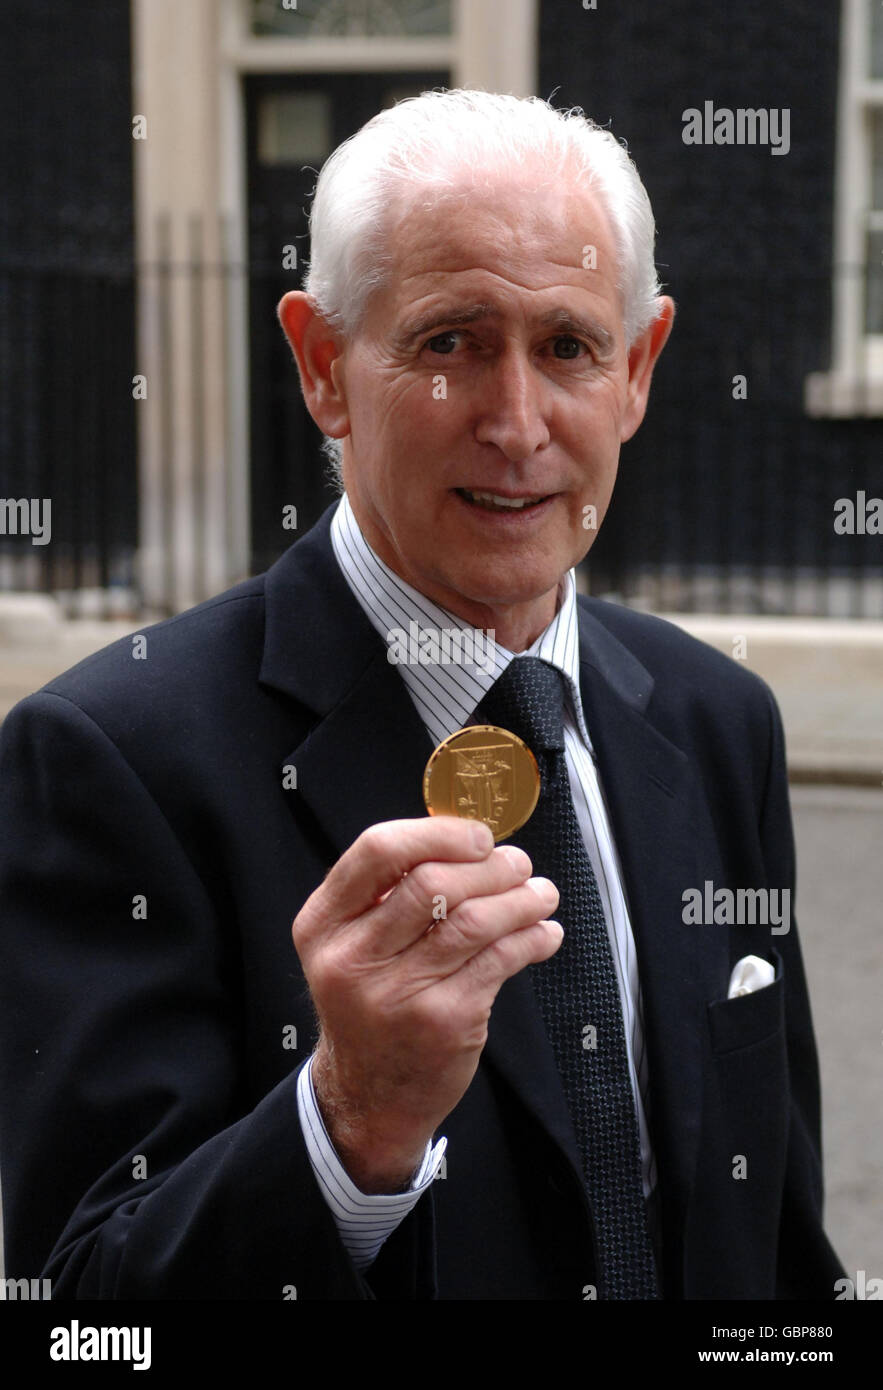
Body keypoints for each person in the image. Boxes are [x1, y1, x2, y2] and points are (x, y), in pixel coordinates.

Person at [0, 89, 843, 1300]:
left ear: (639, 368)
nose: (514, 425)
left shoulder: (716, 720)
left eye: (566, 346)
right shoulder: (113, 759)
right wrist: (346, 1123)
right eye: (449, 342)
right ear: (323, 367)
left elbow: (772, 1239)